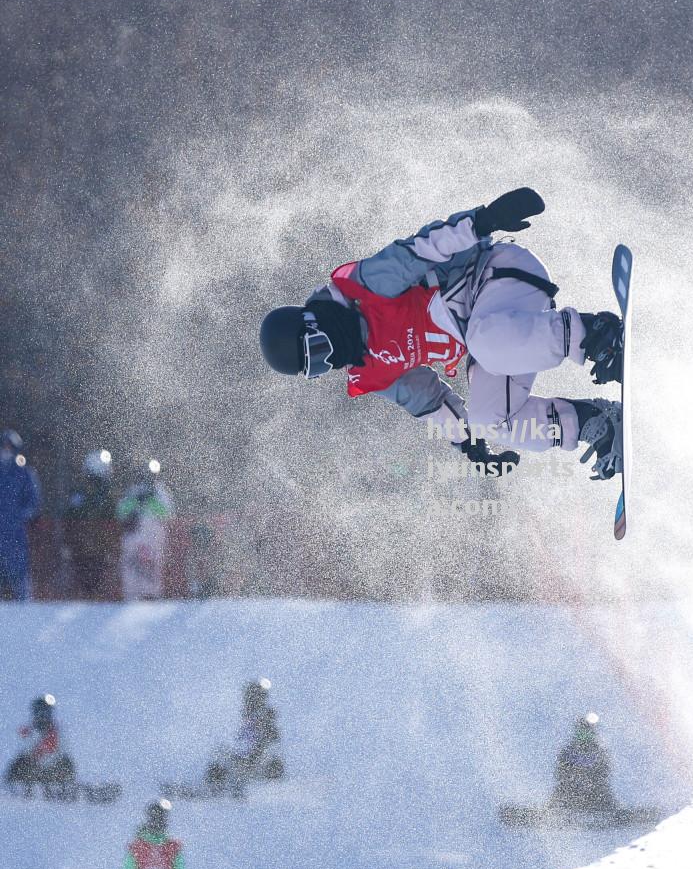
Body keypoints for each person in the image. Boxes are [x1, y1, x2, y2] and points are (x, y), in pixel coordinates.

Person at [259, 189, 625, 480]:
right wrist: (468, 446)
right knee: (489, 421)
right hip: (491, 339)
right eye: (319, 368)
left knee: (484, 341)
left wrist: (483, 220)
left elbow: (423, 248)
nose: (332, 360)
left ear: (314, 322)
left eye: (320, 349)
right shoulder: (369, 370)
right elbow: (430, 403)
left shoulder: (366, 287)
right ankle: (597, 422)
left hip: (495, 276)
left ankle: (598, 337)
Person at [205, 679, 284, 793]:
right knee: (219, 753)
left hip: (256, 763)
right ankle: (217, 786)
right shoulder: (242, 718)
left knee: (271, 758)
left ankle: (267, 788)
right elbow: (237, 744)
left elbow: (270, 741)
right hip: (242, 761)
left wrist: (255, 752)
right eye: (248, 697)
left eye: (252, 698)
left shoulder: (265, 717)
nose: (248, 701)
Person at [117, 461, 175, 602]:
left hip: (154, 537)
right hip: (133, 536)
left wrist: (150, 500)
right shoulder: (133, 491)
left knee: (152, 565)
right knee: (132, 564)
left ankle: (152, 595)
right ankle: (131, 596)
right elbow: (121, 511)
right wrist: (136, 502)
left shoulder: (160, 492)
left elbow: (167, 513)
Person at [64, 450, 118, 599]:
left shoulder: (106, 496)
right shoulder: (80, 494)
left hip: (99, 549)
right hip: (83, 550)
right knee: (85, 584)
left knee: (97, 585)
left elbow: (112, 518)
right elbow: (70, 518)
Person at [0, 429, 42, 601]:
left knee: (18, 574)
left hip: (16, 535)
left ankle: (23, 606)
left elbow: (34, 502)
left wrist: (21, 516)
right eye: (4, 446)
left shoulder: (24, 474)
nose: (6, 450)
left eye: (10, 447)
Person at [549, 713, 619, 813]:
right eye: (581, 734)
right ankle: (550, 814)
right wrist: (572, 777)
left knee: (603, 793)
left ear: (593, 734)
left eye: (587, 734)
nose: (584, 737)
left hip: (594, 789)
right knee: (560, 792)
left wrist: (590, 778)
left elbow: (604, 772)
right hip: (571, 789)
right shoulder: (568, 751)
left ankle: (612, 814)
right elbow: (560, 772)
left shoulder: (599, 752)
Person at [4, 694, 75, 790]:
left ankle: (66, 786)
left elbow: (62, 751)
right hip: (33, 770)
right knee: (18, 763)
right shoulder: (28, 732)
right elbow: (24, 752)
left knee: (66, 763)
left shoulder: (58, 732)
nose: (42, 715)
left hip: (52, 770)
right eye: (40, 712)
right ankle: (15, 785)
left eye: (45, 712)